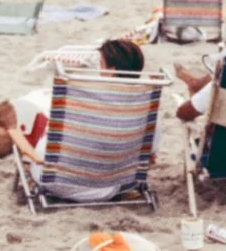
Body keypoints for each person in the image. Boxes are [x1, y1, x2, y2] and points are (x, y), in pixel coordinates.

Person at [9, 39, 148, 202]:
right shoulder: (144, 106)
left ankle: (27, 170)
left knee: (31, 124)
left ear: (111, 71)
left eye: (101, 64)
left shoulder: (81, 99)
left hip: (57, 183)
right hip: (110, 188)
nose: (98, 68)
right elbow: (149, 156)